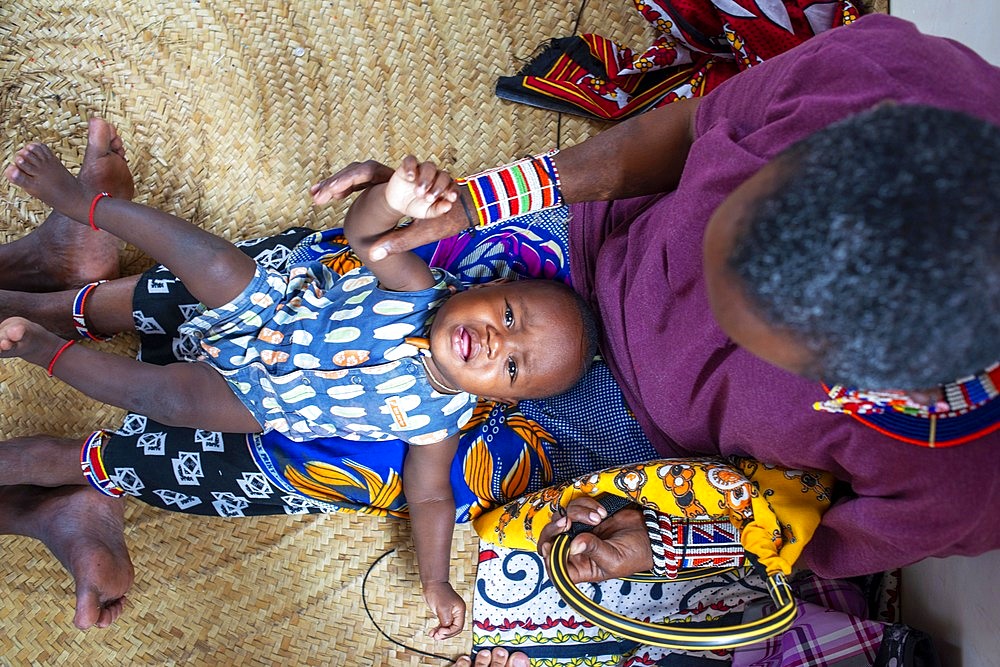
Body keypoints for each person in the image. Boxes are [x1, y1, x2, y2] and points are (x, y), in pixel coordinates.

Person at [317, 13, 1000, 589]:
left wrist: (671, 542)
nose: (695, 289)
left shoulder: (963, 485)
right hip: (602, 239)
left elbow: (796, 541)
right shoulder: (883, 70)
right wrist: (484, 198)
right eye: (734, 208)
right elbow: (689, 130)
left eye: (754, 334)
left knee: (370, 448)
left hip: (642, 433)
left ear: (872, 383)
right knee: (367, 260)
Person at [1, 143, 597, 639]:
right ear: (492, 287)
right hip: (266, 312)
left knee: (166, 399)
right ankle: (89, 206)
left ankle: (46, 352)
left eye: (513, 367)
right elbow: (364, 237)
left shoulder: (439, 422)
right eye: (510, 316)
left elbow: (433, 498)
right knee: (211, 260)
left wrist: (437, 579)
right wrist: (393, 199)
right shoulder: (421, 287)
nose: (497, 343)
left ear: (504, 397)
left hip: (256, 402)